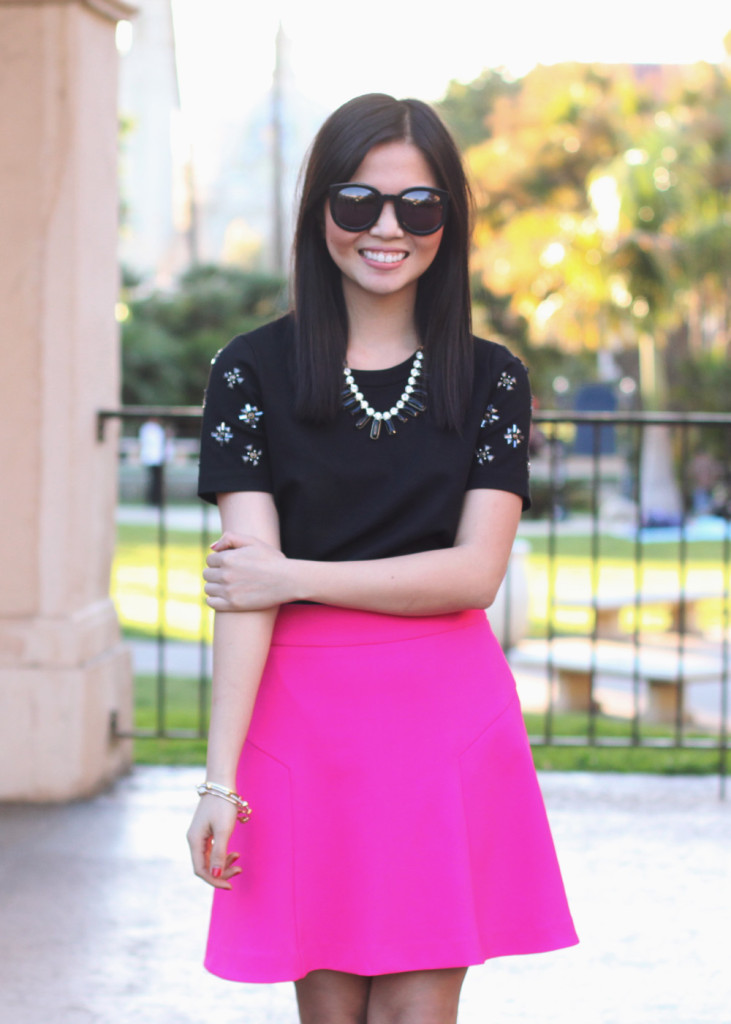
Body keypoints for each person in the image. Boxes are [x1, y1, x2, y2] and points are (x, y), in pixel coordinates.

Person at [187, 93, 578, 1024]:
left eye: (419, 204)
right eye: (358, 201)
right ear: (319, 208)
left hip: (443, 725)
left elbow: (473, 573)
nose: (388, 228)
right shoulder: (249, 371)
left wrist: (295, 577)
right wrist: (219, 780)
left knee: (415, 1013)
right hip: (301, 727)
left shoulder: (492, 378)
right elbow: (244, 591)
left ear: (449, 220)